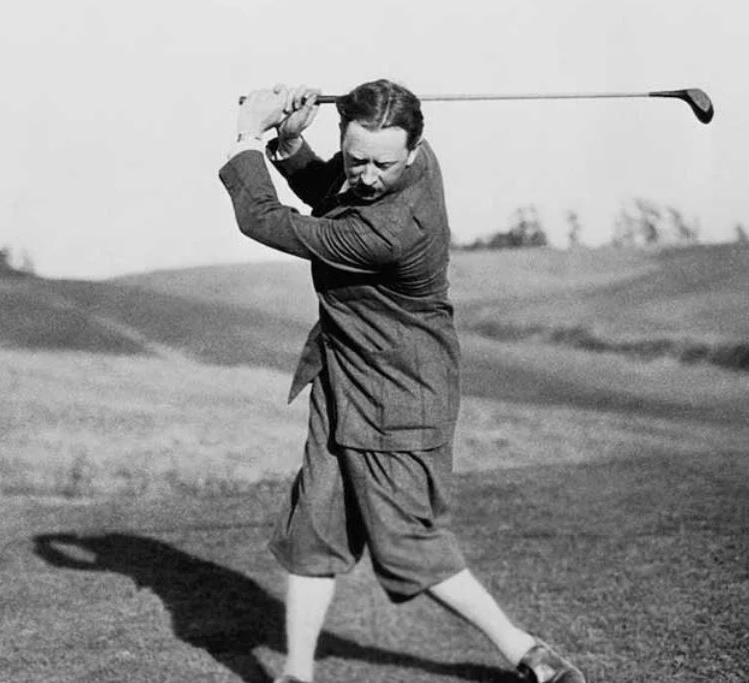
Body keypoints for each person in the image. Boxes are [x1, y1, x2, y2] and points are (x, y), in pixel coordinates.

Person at [218, 79, 587, 683]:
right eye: (354, 157)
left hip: (399, 396)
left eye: (381, 164)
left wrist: (248, 136)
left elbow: (264, 219)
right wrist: (290, 142)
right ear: (346, 136)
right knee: (315, 530)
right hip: (346, 378)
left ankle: (529, 655)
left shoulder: (391, 230)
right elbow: (337, 189)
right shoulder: (399, 162)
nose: (365, 175)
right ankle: (298, 676)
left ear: (414, 150)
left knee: (408, 546)